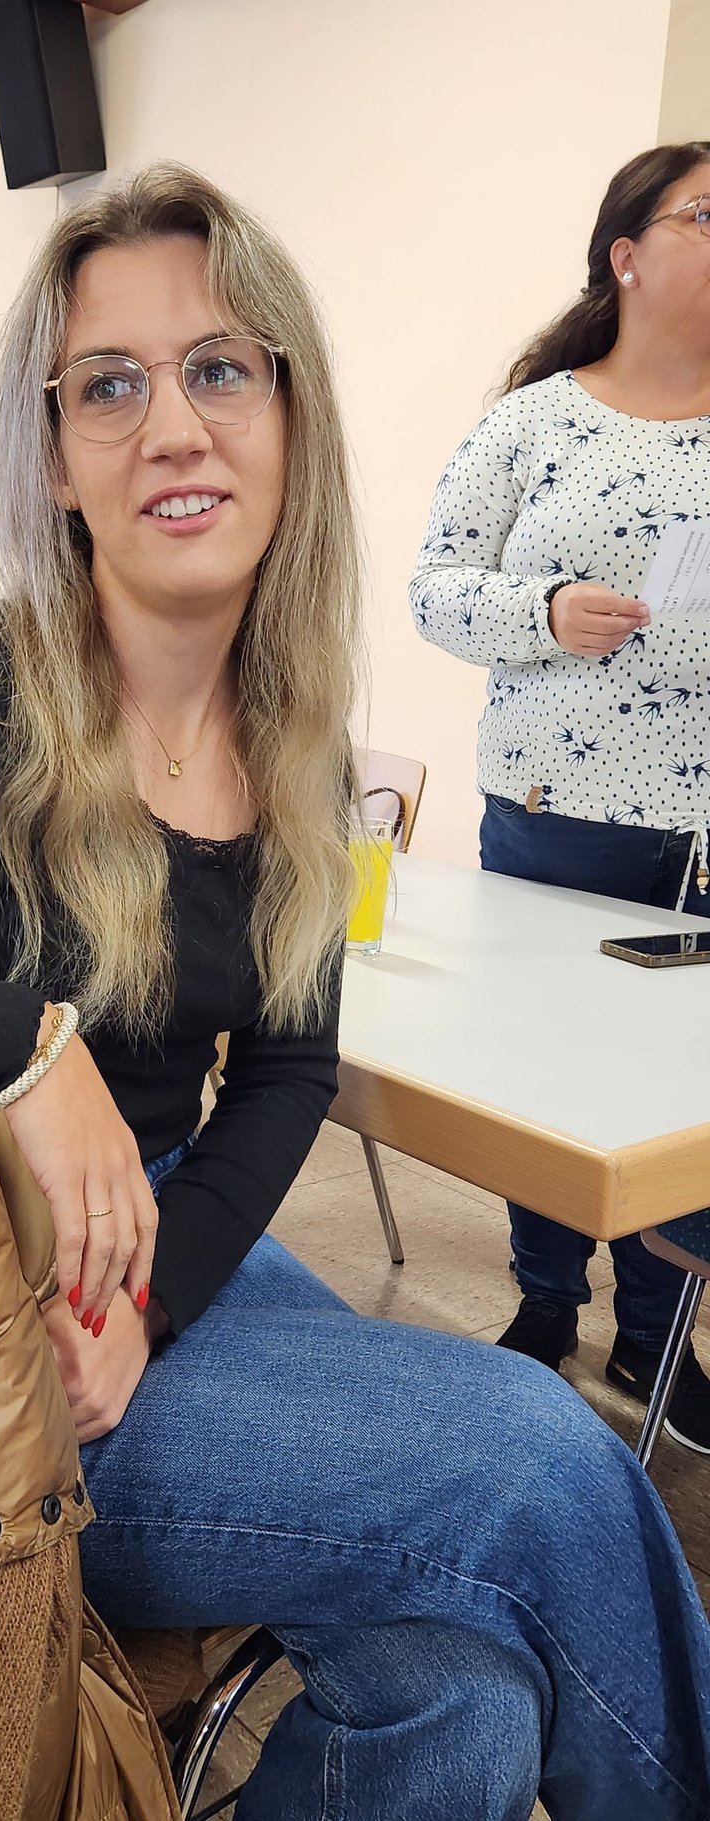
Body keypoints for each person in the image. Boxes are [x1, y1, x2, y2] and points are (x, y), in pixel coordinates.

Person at [0, 163, 708, 1821]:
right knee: (545, 1461)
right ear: (56, 459)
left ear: (290, 420)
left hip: (168, 1259)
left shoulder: (292, 727)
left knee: (456, 1692)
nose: (171, 427)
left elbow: (290, 1071)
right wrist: (19, 1044)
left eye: (220, 368)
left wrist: (153, 1301)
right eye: (109, 385)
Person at [411, 141, 710, 1455]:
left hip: (700, 838)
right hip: (552, 813)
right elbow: (433, 589)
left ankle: (656, 1337)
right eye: (708, 214)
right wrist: (540, 612)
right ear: (626, 254)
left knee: (673, 1095)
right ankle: (544, 1302)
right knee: (544, 1073)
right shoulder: (533, 419)